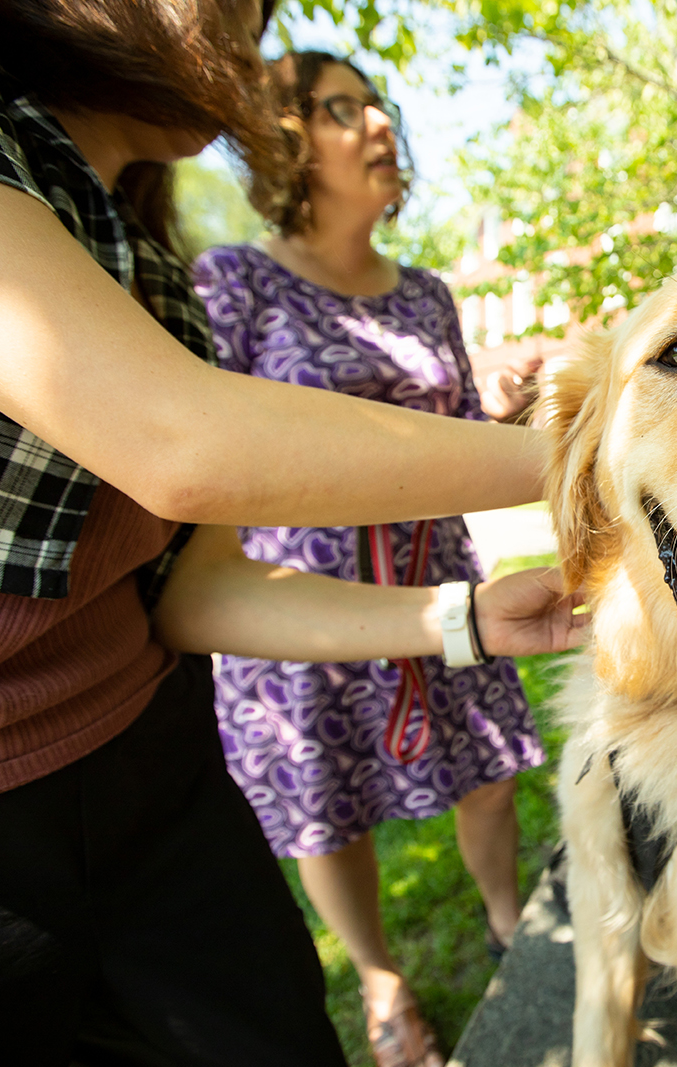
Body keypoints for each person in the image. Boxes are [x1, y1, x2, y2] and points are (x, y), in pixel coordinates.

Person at [0, 2, 581, 1063]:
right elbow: (181, 439)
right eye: (243, 17)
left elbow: (193, 588)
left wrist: (465, 615)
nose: (247, 45)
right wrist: (596, 459)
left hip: (154, 767)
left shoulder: (150, 262)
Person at [192, 51, 535, 1067]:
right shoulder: (234, 281)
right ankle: (382, 977)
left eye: (378, 103)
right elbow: (213, 455)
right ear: (282, 139)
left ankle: (511, 915)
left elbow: (461, 435)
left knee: (488, 769)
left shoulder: (427, 293)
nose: (379, 123)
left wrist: (502, 412)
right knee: (324, 806)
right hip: (300, 599)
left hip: (442, 582)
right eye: (342, 108)